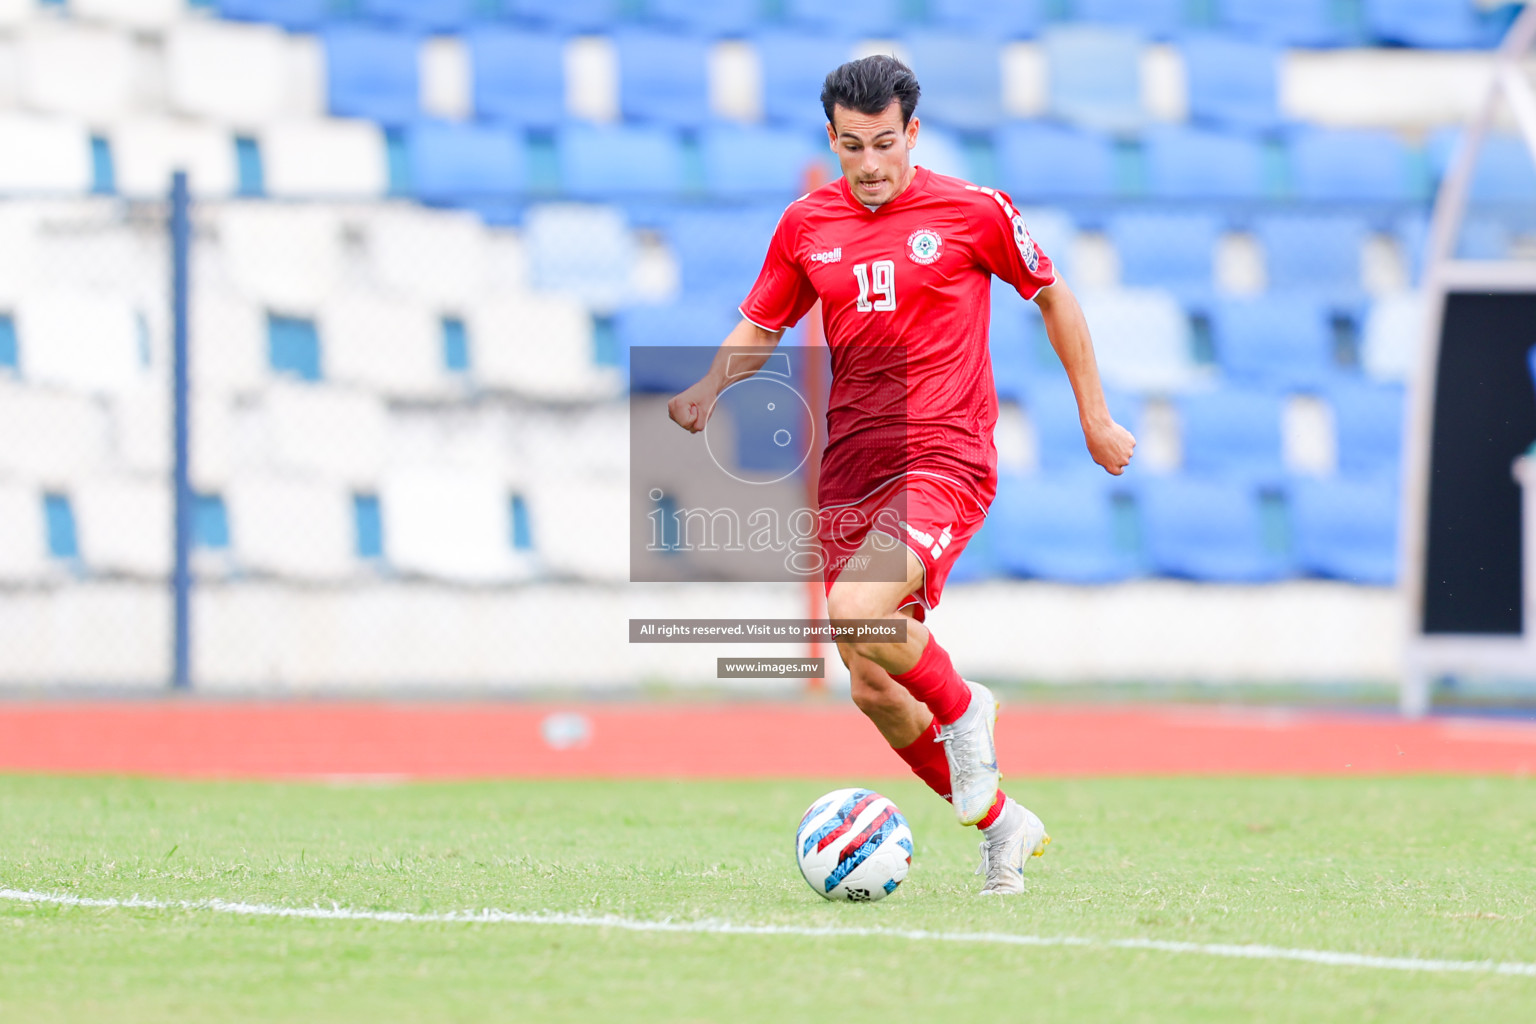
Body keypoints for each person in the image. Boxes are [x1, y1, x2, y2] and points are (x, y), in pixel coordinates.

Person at [668, 55, 1135, 894]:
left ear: (913, 133)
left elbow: (1055, 297)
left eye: (886, 143)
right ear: (833, 140)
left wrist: (1094, 416)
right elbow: (760, 323)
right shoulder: (806, 224)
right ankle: (1003, 827)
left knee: (856, 609)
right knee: (873, 683)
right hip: (853, 468)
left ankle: (966, 711)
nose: (872, 164)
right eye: (853, 147)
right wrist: (708, 386)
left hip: (944, 454)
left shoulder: (972, 211)